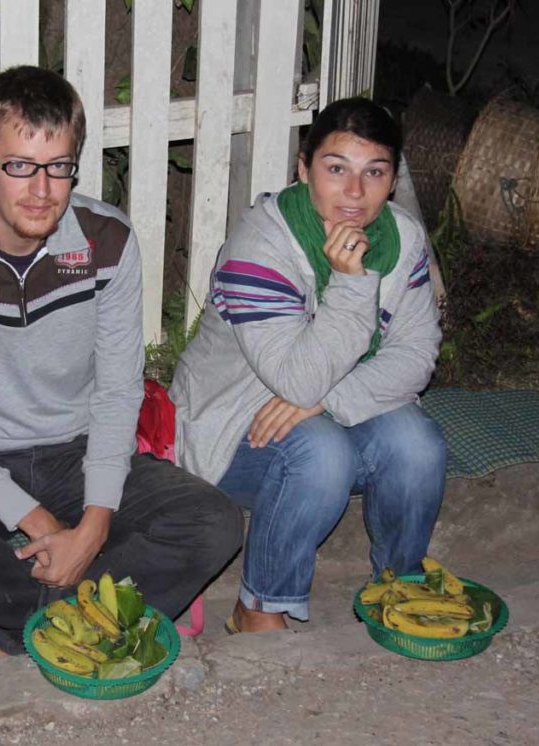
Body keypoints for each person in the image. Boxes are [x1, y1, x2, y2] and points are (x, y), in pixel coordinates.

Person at [0, 65, 242, 661]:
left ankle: (26, 633)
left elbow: (118, 393)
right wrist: (46, 528)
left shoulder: (109, 242)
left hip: (78, 450)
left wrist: (93, 526)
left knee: (214, 521)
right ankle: (90, 622)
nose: (42, 190)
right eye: (19, 165)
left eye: (59, 167)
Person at [169, 97, 447, 634]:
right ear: (303, 170)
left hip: (326, 407)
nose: (354, 192)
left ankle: (397, 587)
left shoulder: (404, 238)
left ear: (392, 181)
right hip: (234, 430)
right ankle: (260, 606)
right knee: (323, 451)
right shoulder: (262, 245)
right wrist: (351, 281)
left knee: (417, 444)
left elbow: (415, 356)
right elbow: (297, 380)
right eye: (335, 168)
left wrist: (330, 401)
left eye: (374, 173)